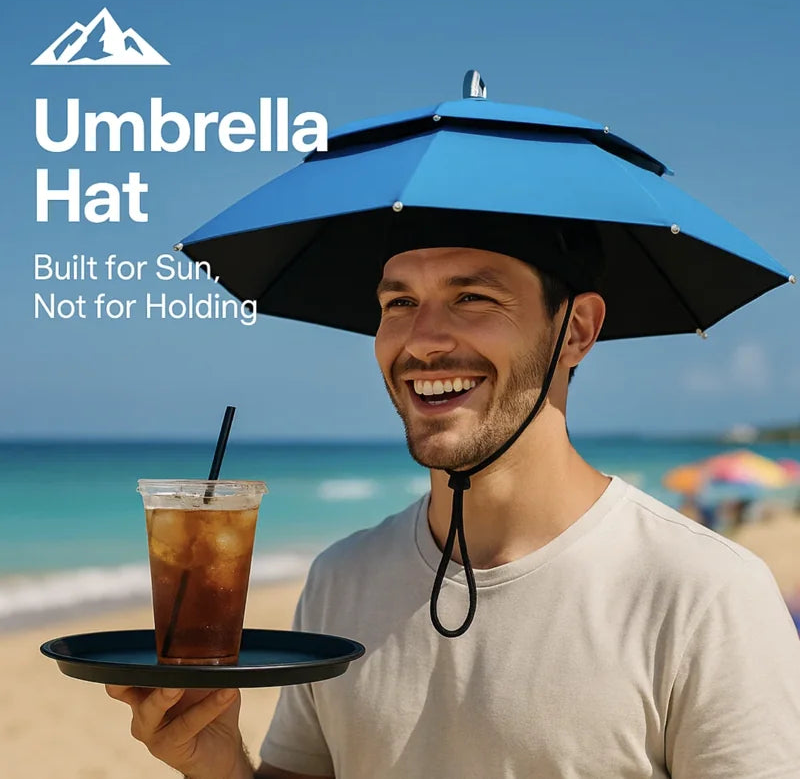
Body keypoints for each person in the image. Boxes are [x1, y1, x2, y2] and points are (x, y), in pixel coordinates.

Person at [107, 240, 800, 778]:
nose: (423, 341)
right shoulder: (340, 579)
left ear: (578, 331)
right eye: (398, 303)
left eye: (472, 297)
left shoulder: (705, 593)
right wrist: (221, 765)